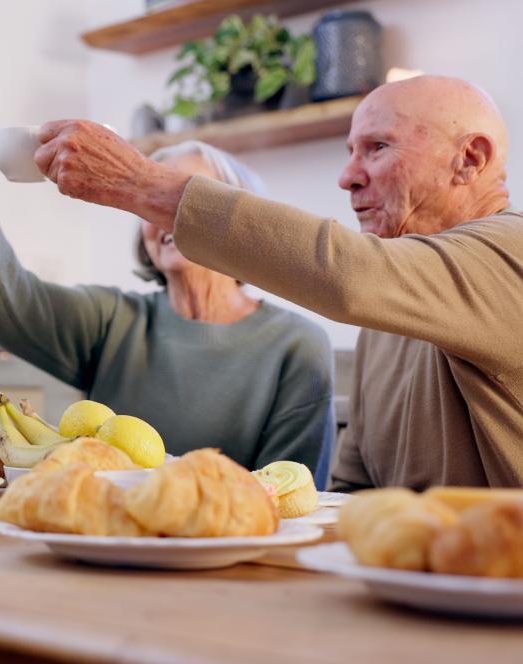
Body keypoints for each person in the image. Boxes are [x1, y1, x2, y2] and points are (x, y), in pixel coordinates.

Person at [32, 75, 520, 491]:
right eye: (350, 152)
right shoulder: (390, 311)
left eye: (378, 147)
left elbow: (347, 275)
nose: (347, 176)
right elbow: (353, 492)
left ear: (471, 160)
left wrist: (138, 183)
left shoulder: (511, 248)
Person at [0, 141, 334, 476]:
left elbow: (291, 492)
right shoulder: (115, 320)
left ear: (239, 223)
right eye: (156, 203)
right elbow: (15, 309)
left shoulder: (297, 345)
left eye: (187, 199)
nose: (167, 216)